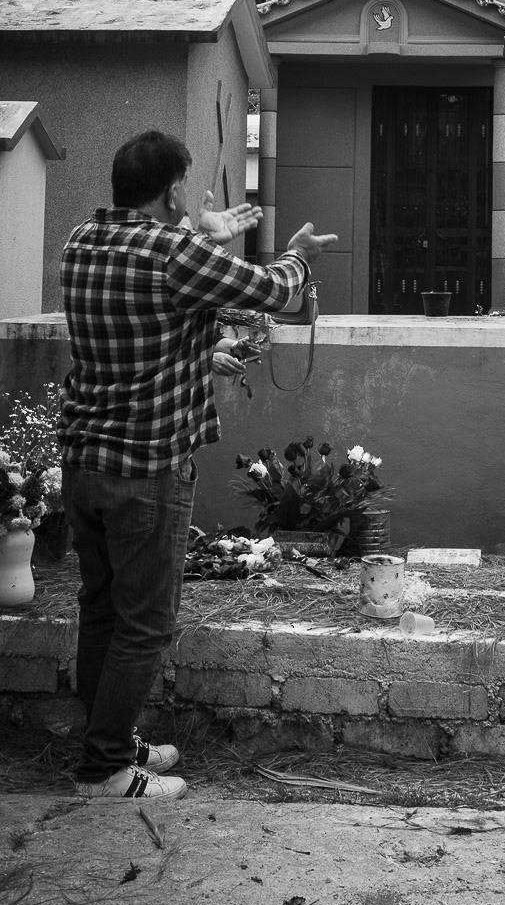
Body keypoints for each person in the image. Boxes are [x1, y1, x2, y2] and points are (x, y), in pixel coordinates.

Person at [58, 129, 337, 802]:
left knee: (100, 609)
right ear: (174, 190)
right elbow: (270, 291)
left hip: (84, 460)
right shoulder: (174, 250)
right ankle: (103, 770)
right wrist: (296, 259)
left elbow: (145, 328)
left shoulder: (79, 242)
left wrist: (200, 352)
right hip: (147, 464)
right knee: (145, 623)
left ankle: (110, 743)